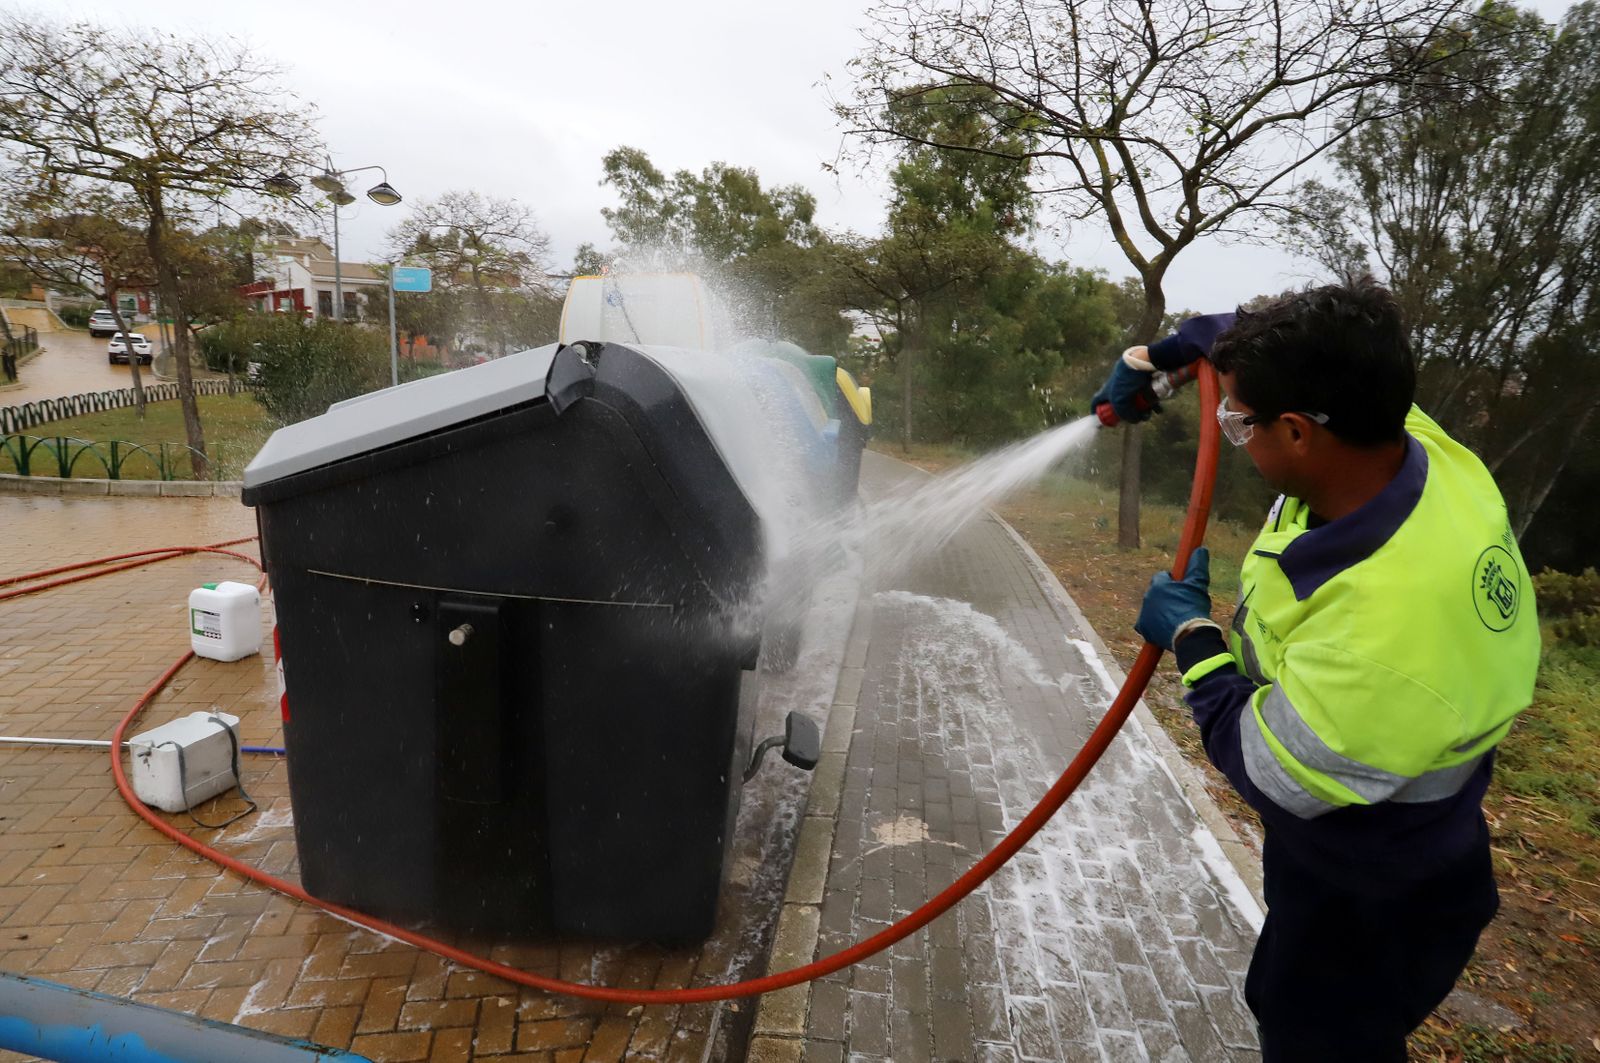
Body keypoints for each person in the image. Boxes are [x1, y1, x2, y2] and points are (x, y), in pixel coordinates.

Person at [1091, 279, 1541, 1061]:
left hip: (1373, 883)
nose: (1231, 430)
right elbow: (1254, 335)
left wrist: (1193, 637)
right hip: (1417, 837)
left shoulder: (1382, 627)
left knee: (1313, 1027)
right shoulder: (1407, 439)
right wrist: (1159, 357)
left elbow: (1272, 766)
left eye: (1240, 423)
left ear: (1297, 432)